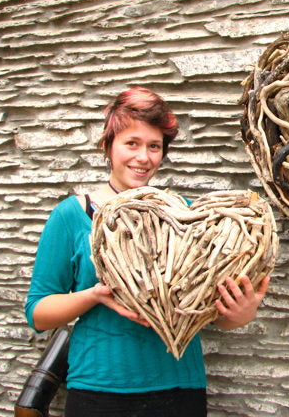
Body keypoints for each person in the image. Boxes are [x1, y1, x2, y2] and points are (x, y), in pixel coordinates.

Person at [24, 86, 270, 417]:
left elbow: (206, 313)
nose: (144, 157)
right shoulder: (72, 215)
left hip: (179, 388)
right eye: (132, 143)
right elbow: (38, 313)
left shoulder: (187, 215)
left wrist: (240, 315)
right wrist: (94, 295)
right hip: (98, 389)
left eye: (154, 146)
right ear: (108, 147)